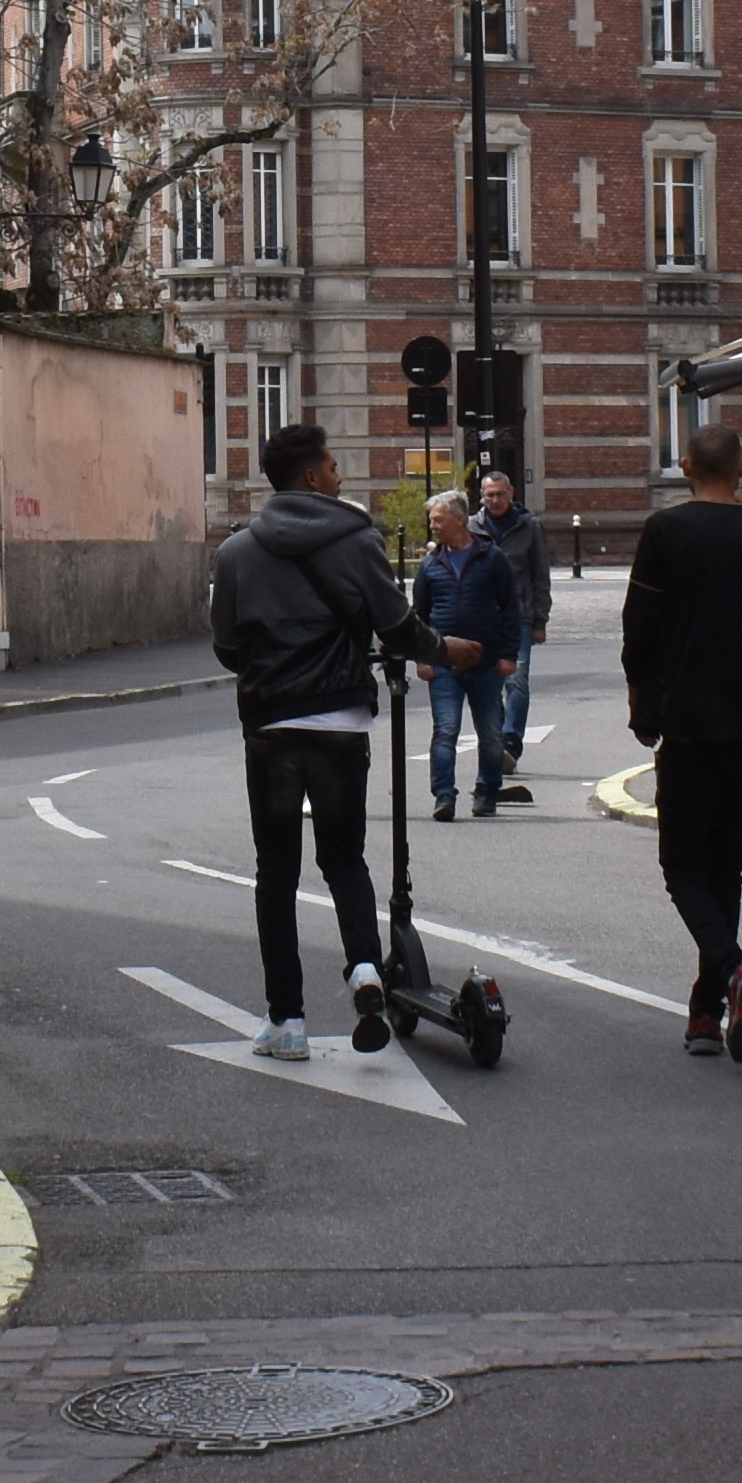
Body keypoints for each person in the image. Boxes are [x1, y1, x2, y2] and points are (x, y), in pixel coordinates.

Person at [210, 423, 489, 1056]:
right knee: (344, 860)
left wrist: (268, 671)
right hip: (341, 723)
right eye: (333, 467)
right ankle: (364, 967)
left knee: (276, 872)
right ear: (310, 476)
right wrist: (446, 651)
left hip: (273, 729)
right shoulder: (357, 542)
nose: (340, 477)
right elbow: (398, 626)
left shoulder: (235, 555)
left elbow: (227, 648)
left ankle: (287, 1021)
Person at [621, 420, 742, 1064]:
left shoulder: (666, 531)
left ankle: (729, 972)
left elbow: (639, 623)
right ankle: (706, 1012)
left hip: (689, 717)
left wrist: (640, 696)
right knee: (727, 866)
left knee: (682, 867)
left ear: (684, 467)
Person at [417, 486, 534, 818]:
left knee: (490, 731)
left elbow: (510, 609)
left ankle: (487, 791)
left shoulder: (491, 557)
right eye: (432, 520)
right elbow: (420, 616)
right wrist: (424, 656)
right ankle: (444, 795)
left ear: (458, 520)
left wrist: (508, 654)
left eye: (438, 520)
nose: (433, 526)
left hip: (485, 664)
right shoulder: (430, 564)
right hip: (443, 665)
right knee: (446, 729)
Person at [476, 468, 555, 800]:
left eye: (500, 494)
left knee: (517, 680)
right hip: (482, 619)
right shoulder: (472, 527)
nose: (495, 500)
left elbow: (540, 575)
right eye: (489, 495)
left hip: (519, 616)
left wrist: (540, 620)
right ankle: (496, 740)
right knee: (489, 683)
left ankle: (510, 741)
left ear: (511, 494)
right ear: (482, 496)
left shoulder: (529, 526)